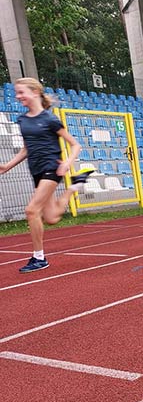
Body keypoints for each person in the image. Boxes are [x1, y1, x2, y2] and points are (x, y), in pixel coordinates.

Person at [0, 77, 94, 273]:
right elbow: (26, 149)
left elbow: (75, 144)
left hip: (52, 167)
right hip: (36, 171)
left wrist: (68, 162)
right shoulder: (23, 120)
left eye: (21, 92)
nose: (18, 96)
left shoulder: (50, 119)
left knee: (31, 210)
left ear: (35, 92)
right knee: (51, 218)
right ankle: (74, 186)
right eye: (16, 93)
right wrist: (6, 166)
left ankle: (39, 258)